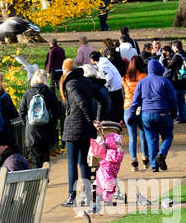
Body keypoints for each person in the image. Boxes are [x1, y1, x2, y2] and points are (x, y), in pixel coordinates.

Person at [60, 61, 110, 206]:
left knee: (72, 163)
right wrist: (98, 118)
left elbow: (82, 103)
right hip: (86, 129)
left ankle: (72, 195)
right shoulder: (86, 81)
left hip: (73, 128)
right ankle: (88, 195)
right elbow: (102, 99)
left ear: (66, 70)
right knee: (84, 163)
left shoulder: (71, 84)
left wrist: (93, 119)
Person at [127, 58, 179, 171]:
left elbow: (135, 101)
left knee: (151, 140)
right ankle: (161, 153)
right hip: (163, 113)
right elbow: (172, 99)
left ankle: (154, 166)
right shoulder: (164, 81)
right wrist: (174, 113)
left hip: (146, 115)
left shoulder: (142, 82)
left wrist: (131, 115)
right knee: (168, 136)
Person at [19, 68, 64, 167]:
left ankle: (38, 180)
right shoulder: (50, 93)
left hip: (32, 131)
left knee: (35, 160)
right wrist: (51, 123)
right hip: (46, 131)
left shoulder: (27, 94)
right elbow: (57, 112)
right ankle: (45, 179)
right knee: (45, 159)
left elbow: (21, 112)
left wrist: (27, 123)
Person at [122, 56, 147, 170]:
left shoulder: (125, 78)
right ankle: (145, 159)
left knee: (132, 137)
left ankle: (134, 163)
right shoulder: (144, 77)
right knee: (143, 136)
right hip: (141, 108)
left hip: (128, 109)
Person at [92, 50, 124, 121]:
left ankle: (118, 119)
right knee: (118, 102)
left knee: (116, 103)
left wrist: (105, 85)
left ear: (92, 59)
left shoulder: (103, 66)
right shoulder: (104, 62)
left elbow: (109, 77)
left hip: (114, 86)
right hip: (117, 84)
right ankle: (120, 118)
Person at [167, 43, 186, 123]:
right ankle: (183, 117)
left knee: (176, 100)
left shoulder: (177, 56)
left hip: (176, 81)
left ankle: (177, 117)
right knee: (182, 101)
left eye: (173, 46)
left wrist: (168, 62)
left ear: (175, 47)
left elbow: (170, 66)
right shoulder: (185, 54)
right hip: (183, 80)